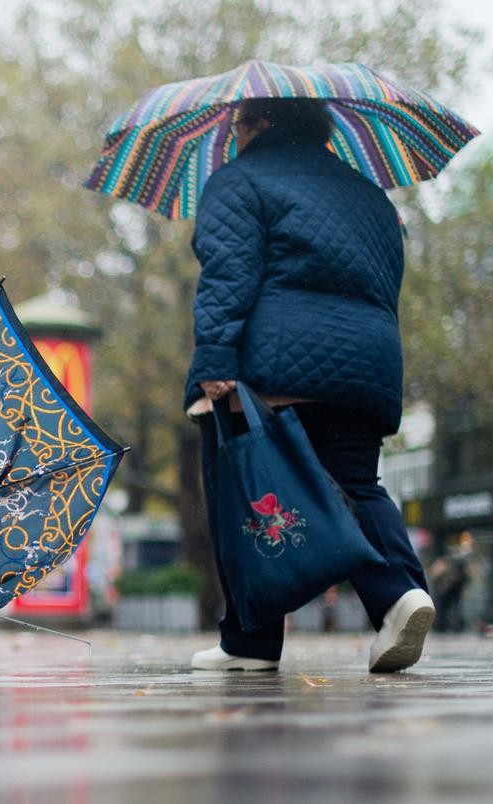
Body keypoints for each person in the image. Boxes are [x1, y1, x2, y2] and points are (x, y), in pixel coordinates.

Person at [186, 97, 433, 674]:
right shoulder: (371, 196)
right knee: (355, 484)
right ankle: (401, 595)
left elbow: (228, 271)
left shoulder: (239, 181)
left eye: (239, 122)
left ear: (263, 123)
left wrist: (215, 356)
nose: (233, 133)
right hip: (368, 365)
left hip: (276, 367)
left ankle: (248, 642)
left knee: (241, 486)